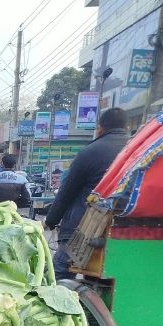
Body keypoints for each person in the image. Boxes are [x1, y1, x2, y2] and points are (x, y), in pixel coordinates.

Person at [45, 107, 128, 280]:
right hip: (123, 228)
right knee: (100, 277)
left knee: (59, 271)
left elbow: (67, 192)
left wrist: (51, 221)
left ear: (100, 128)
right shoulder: (138, 150)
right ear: (126, 127)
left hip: (85, 227)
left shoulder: (90, 152)